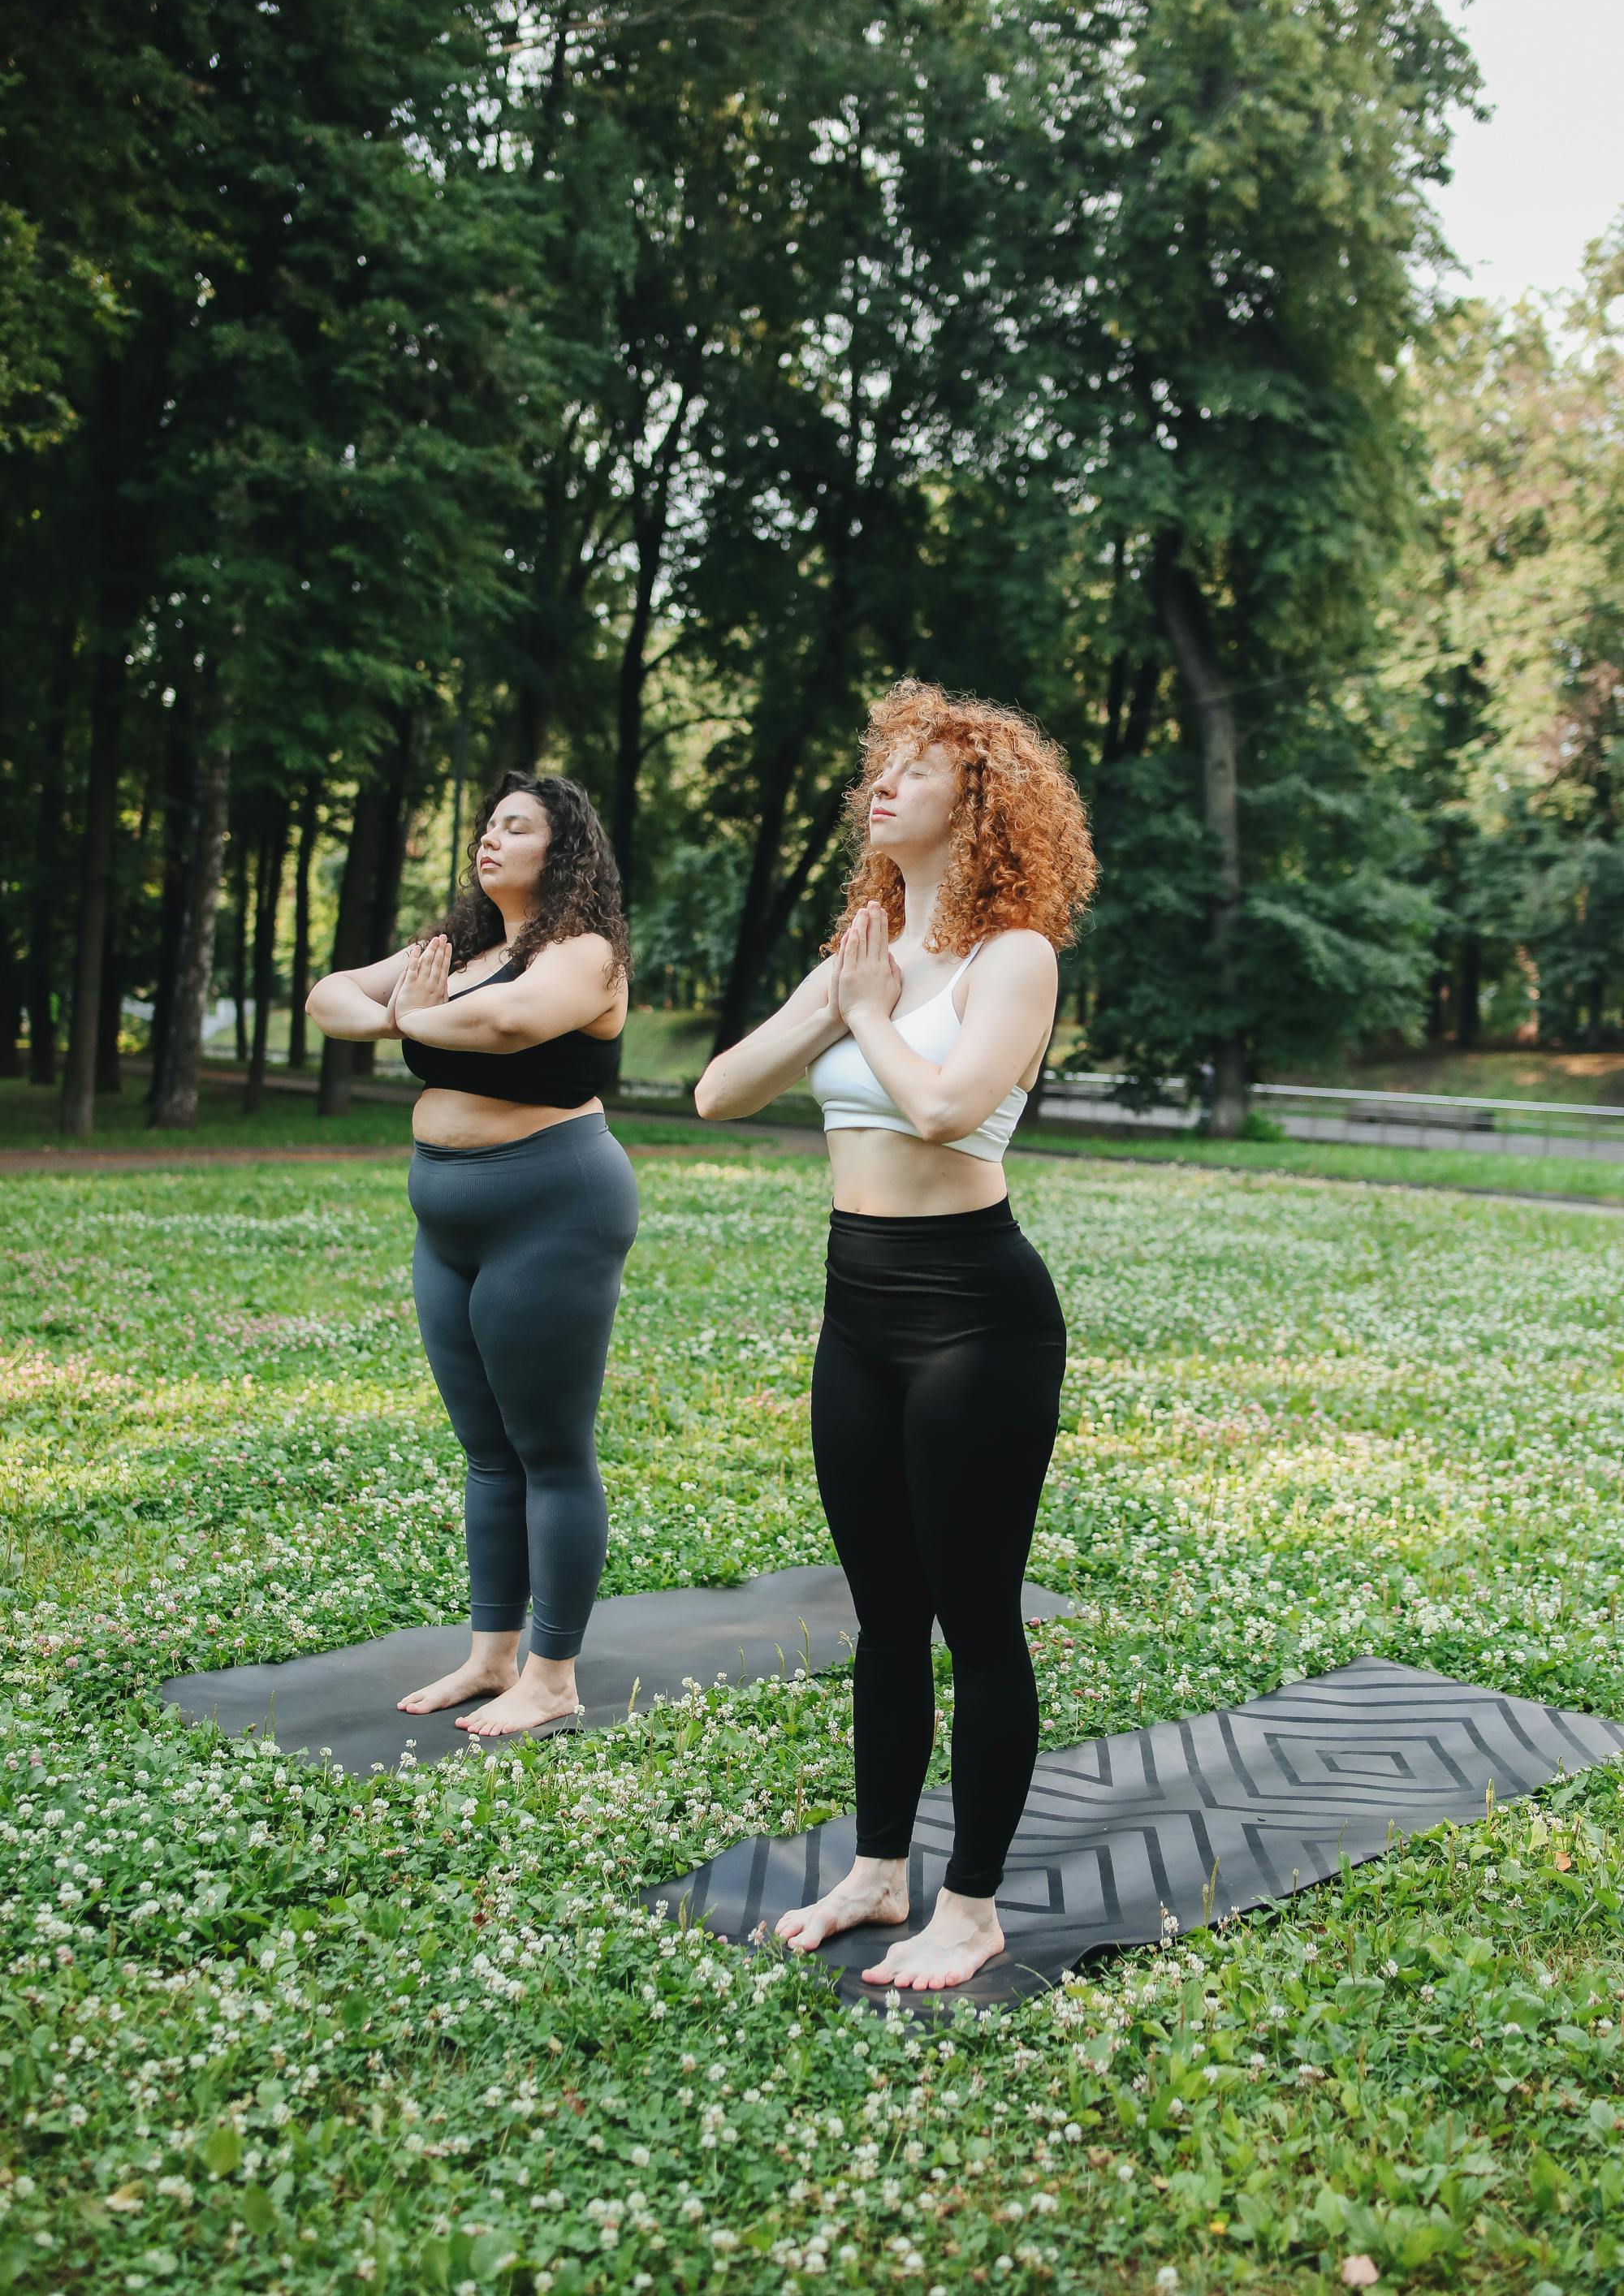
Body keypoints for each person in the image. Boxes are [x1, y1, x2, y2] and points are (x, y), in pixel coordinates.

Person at [694, 680, 1096, 1992]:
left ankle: (969, 1905)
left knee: (977, 1619)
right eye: (883, 764)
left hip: (976, 1316)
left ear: (978, 803)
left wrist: (864, 1013)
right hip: (856, 1310)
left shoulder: (1014, 957)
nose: (884, 782)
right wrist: (837, 998)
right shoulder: (863, 953)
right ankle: (876, 1873)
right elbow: (715, 1093)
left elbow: (944, 1109)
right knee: (882, 1618)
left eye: (918, 770)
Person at [305, 772, 639, 1739]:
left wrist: (406, 1015)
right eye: (488, 825)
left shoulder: (584, 954)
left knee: (550, 1451)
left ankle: (553, 1672)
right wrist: (397, 1009)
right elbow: (329, 996)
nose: (490, 839)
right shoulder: (458, 951)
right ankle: (493, 1655)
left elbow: (505, 1024)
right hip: (445, 1221)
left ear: (563, 850)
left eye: (517, 827)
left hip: (552, 1205)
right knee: (489, 1455)